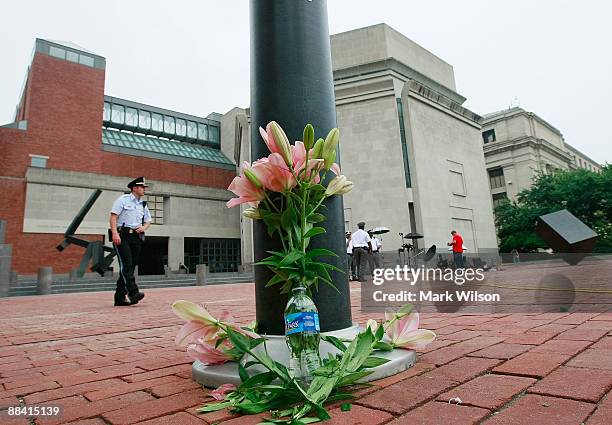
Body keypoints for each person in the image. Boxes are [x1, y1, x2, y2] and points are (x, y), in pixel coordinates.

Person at [109, 177, 152, 306]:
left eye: (144, 187)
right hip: (122, 236)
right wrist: (115, 234)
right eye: (142, 187)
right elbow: (113, 217)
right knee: (126, 265)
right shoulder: (123, 200)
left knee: (130, 267)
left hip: (136, 238)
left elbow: (148, 220)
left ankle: (119, 297)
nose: (144, 189)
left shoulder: (143, 204)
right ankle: (133, 293)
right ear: (134, 188)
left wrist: (143, 228)